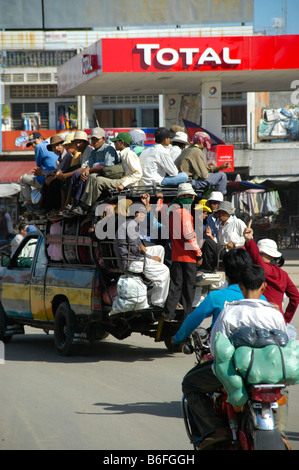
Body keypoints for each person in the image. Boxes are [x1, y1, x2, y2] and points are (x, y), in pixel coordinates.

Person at [182, 264, 287, 449]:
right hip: (268, 374)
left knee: (190, 383)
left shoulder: (229, 312)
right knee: (283, 389)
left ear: (241, 287)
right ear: (264, 286)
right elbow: (282, 345)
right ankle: (280, 431)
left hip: (236, 373)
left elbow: (216, 350)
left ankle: (214, 429)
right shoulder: (274, 314)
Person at [173, 248, 260, 345]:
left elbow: (193, 319)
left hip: (221, 352)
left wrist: (177, 338)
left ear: (226, 272)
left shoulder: (215, 297)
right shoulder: (260, 299)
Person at [114, 204, 170, 308]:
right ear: (136, 214)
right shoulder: (131, 226)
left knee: (159, 249)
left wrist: (143, 248)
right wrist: (150, 257)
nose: (144, 215)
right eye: (142, 213)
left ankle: (153, 278)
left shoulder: (130, 223)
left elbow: (137, 245)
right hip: (130, 261)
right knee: (165, 270)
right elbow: (135, 249)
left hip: (133, 256)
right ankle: (158, 302)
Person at [72, 132, 142, 214]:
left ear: (122, 142)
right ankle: (81, 203)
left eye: (116, 142)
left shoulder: (129, 154)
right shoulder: (122, 154)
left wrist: (123, 184)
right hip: (121, 179)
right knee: (92, 176)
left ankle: (86, 206)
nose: (114, 143)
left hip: (127, 183)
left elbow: (138, 173)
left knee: (99, 181)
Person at [244, 221, 299, 325]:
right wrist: (286, 319)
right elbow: (295, 297)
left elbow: (256, 258)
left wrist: (249, 240)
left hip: (262, 319)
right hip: (279, 319)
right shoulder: (283, 274)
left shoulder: (263, 269)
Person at [163, 183, 202, 320]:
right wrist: (199, 252)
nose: (192, 198)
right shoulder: (184, 213)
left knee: (176, 285)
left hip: (176, 256)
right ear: (183, 196)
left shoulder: (172, 213)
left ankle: (168, 313)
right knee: (188, 288)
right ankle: (187, 316)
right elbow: (189, 235)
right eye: (190, 196)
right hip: (188, 257)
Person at [69, 127, 119, 206]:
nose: (95, 142)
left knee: (90, 176)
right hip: (95, 173)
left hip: (106, 175)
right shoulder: (93, 152)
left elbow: (108, 167)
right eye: (93, 139)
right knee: (78, 175)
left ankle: (81, 205)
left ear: (103, 139)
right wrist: (86, 170)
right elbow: (89, 165)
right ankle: (73, 203)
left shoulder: (108, 149)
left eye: (97, 139)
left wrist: (90, 170)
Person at [200, 200, 247, 273]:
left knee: (208, 243)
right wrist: (211, 236)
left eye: (223, 213)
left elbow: (247, 238)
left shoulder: (237, 222)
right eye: (219, 213)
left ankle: (207, 269)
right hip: (222, 251)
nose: (220, 215)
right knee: (207, 242)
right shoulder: (221, 226)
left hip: (234, 252)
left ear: (229, 213)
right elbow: (218, 242)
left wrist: (234, 243)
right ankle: (208, 268)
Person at [20, 132, 58, 206]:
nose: (33, 145)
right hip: (55, 173)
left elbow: (38, 168)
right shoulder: (49, 145)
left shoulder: (39, 147)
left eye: (34, 142)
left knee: (23, 178)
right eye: (31, 144)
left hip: (47, 177)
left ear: (41, 138)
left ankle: (28, 202)